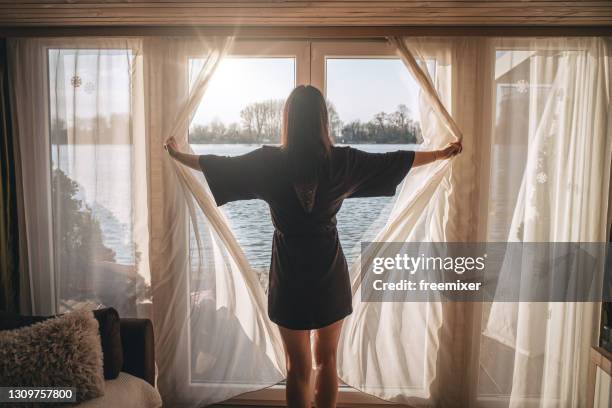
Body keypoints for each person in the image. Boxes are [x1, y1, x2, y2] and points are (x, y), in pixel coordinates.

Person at [165, 85, 462, 408]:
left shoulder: (268, 163)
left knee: (297, 368)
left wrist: (178, 154)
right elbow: (395, 161)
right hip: (328, 272)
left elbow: (218, 165)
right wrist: (441, 153)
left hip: (289, 274)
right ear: (323, 120)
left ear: (288, 119)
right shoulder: (342, 161)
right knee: (327, 360)